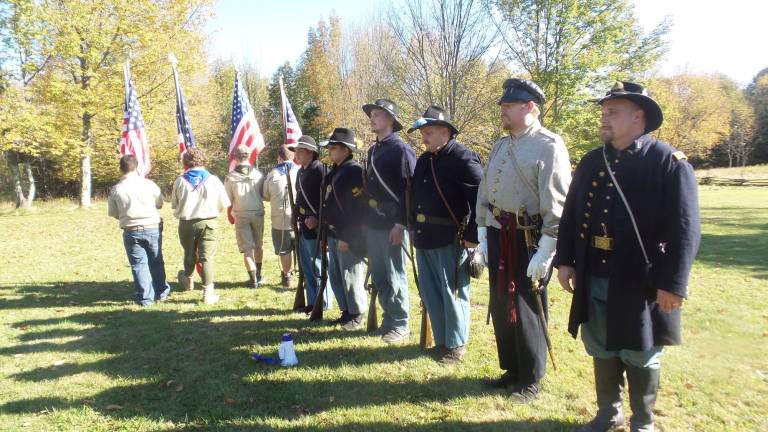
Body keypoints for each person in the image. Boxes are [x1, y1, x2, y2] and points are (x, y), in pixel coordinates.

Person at [554, 81, 700, 432]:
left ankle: (643, 421)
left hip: (641, 277)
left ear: (638, 116)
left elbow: (685, 228)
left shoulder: (668, 162)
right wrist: (566, 260)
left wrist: (673, 283)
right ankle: (609, 413)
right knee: (601, 344)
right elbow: (572, 215)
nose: (604, 118)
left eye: (612, 112)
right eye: (603, 112)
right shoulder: (592, 160)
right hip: (594, 271)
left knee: (641, 348)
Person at [476, 78, 572, 401]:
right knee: (502, 304)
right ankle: (512, 370)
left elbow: (557, 203)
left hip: (528, 239)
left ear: (529, 107)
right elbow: (485, 189)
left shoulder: (549, 145)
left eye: (509, 105)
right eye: (503, 105)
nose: (502, 110)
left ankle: (531, 379)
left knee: (527, 307)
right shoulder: (501, 145)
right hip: (498, 232)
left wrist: (547, 248)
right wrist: (481, 230)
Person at [408, 106, 483, 364]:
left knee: (452, 292)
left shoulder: (462, 158)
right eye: (423, 132)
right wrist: (411, 228)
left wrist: (473, 234)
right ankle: (442, 341)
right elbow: (414, 198)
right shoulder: (424, 160)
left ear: (445, 132)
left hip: (451, 237)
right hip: (424, 236)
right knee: (431, 292)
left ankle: (456, 344)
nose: (424, 137)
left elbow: (479, 198)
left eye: (428, 132)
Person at [362, 98, 416, 343]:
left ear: (390, 120)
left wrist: (401, 223)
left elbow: (409, 191)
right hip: (373, 223)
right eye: (371, 114)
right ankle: (388, 319)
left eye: (377, 114)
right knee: (380, 274)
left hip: (393, 223)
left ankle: (400, 323)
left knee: (395, 275)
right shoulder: (374, 150)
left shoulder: (401, 150)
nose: (372, 118)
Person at [320, 128, 368, 330]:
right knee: (336, 275)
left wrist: (347, 236)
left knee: (350, 275)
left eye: (334, 147)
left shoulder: (354, 172)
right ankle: (346, 311)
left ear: (346, 150)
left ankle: (357, 313)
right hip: (333, 232)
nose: (330, 150)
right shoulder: (335, 172)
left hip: (347, 234)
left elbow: (358, 209)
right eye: (330, 147)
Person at [108, 154, 171, 306]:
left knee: (138, 264)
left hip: (131, 229)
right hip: (152, 227)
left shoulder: (116, 189)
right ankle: (161, 291)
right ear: (136, 167)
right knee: (156, 260)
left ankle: (145, 298)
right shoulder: (149, 185)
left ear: (120, 169)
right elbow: (160, 203)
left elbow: (113, 213)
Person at [172, 147, 231, 305]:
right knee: (206, 258)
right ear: (203, 160)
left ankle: (188, 279)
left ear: (185, 162)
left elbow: (174, 204)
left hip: (186, 223)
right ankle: (207, 292)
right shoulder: (213, 179)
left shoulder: (180, 180)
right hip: (209, 222)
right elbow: (224, 203)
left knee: (189, 254)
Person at [288, 135, 334, 313]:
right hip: (303, 223)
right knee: (307, 267)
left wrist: (317, 218)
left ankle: (323, 304)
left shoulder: (320, 170)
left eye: (300, 150)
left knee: (318, 266)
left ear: (310, 152)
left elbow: (328, 200)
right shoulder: (301, 171)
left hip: (316, 225)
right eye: (296, 150)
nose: (297, 154)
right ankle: (312, 302)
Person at [225, 144, 266, 288]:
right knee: (258, 245)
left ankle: (253, 278)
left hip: (241, 214)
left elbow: (227, 199)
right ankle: (259, 274)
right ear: (249, 156)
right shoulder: (259, 175)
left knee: (247, 247)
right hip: (257, 212)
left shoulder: (230, 177)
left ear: (235, 158)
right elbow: (264, 195)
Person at [262, 145, 300, 288]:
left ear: (279, 157)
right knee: (301, 249)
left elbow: (265, 195)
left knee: (284, 250)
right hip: (299, 219)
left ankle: (287, 275)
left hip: (280, 219)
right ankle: (303, 275)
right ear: (293, 156)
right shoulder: (301, 171)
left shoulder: (272, 174)